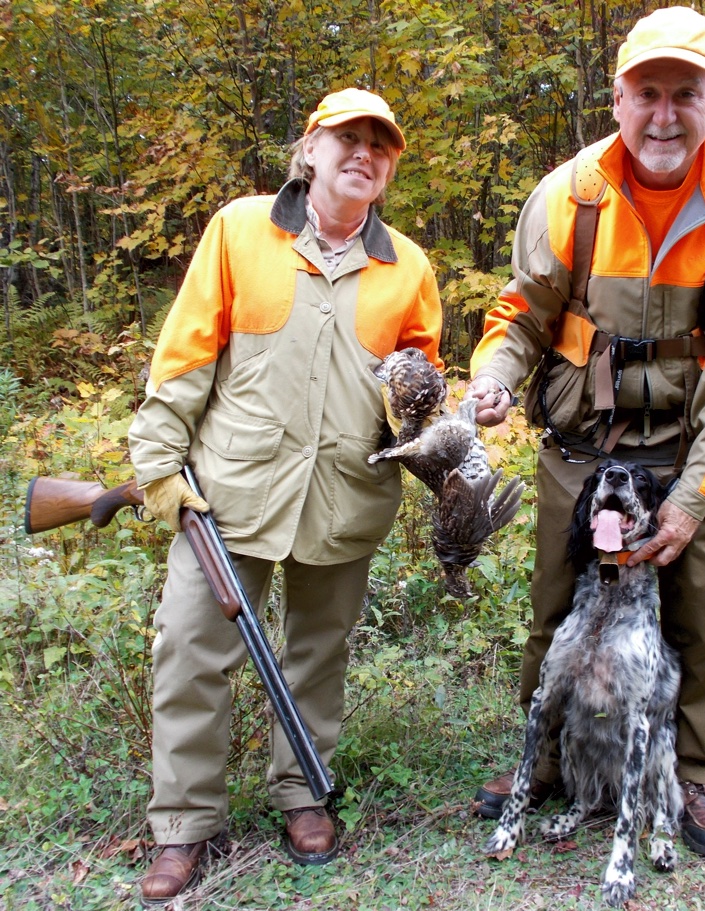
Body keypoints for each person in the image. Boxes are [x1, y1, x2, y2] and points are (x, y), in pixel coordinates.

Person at [466, 6, 705, 859]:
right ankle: (541, 762)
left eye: (687, 93)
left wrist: (686, 503)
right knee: (557, 607)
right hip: (586, 442)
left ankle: (696, 771)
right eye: (648, 91)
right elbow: (523, 313)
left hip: (695, 445)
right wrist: (494, 378)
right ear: (618, 97)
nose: (665, 114)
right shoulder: (568, 192)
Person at [128, 88, 443, 905]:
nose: (362, 153)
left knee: (316, 656)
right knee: (191, 653)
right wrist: (159, 467)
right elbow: (186, 355)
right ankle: (185, 825)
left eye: (380, 144)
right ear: (310, 151)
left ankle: (303, 794)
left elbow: (418, 388)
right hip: (229, 494)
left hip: (346, 496)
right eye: (347, 138)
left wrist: (450, 420)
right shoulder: (239, 230)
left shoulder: (407, 265)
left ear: (389, 169)